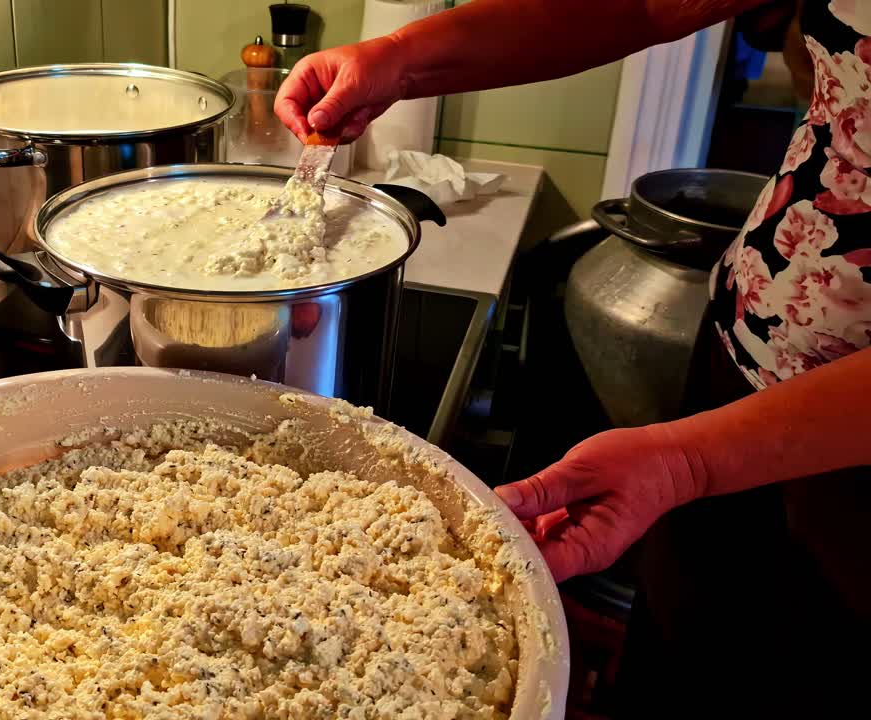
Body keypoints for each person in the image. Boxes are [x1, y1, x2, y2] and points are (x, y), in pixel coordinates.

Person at [277, 1, 870, 715]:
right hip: (744, 353)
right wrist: (401, 57)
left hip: (853, 476)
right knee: (680, 664)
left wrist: (690, 461)